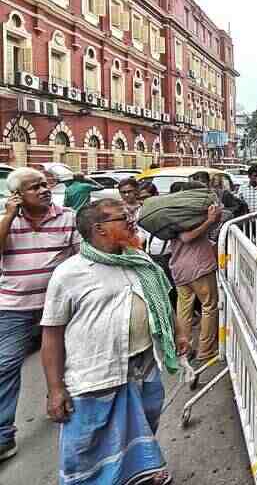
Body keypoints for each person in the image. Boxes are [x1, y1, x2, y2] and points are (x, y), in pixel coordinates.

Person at [41, 199, 182, 485]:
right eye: (123, 218)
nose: (132, 221)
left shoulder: (138, 258)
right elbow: (52, 333)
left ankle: (140, 474)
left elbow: (163, 300)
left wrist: (178, 332)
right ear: (100, 229)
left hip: (143, 364)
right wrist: (55, 390)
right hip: (96, 372)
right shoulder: (69, 273)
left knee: (143, 423)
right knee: (88, 441)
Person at [0, 168, 80, 461]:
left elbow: (77, 258)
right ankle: (3, 436)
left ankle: (57, 397)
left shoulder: (68, 217)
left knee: (65, 356)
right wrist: (8, 217)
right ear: (18, 196)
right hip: (14, 307)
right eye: (35, 187)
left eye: (45, 184)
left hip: (58, 305)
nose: (44, 189)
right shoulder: (6, 221)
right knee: (5, 366)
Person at [169, 182, 222, 365]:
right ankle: (205, 350)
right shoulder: (185, 215)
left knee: (184, 309)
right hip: (198, 267)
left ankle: (185, 348)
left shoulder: (172, 215)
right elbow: (187, 237)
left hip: (179, 267)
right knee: (209, 306)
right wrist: (208, 220)